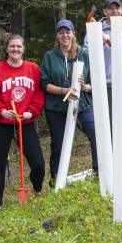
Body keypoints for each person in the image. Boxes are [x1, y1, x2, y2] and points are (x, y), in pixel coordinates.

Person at [0, 34, 45, 207]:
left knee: (38, 163)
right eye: (12, 46)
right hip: (0, 124)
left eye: (19, 46)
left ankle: (37, 190)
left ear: (24, 49)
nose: (15, 49)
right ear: (6, 49)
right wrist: (2, 111)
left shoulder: (33, 69)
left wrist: (31, 111)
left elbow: (38, 95)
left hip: (24, 124)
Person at [40, 19, 97, 184]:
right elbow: (45, 84)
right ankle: (56, 180)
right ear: (57, 36)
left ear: (73, 33)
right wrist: (64, 91)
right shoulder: (50, 56)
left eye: (68, 31)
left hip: (82, 104)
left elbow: (95, 82)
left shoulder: (83, 54)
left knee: (95, 134)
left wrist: (84, 86)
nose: (65, 35)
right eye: (61, 32)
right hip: (57, 107)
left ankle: (99, 171)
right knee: (58, 143)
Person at [82, 0, 122, 140]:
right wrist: (99, 42)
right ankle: (113, 160)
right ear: (105, 11)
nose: (114, 11)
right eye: (110, 8)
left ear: (121, 10)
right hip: (108, 86)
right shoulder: (94, 31)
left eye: (117, 8)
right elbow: (86, 56)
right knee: (111, 128)